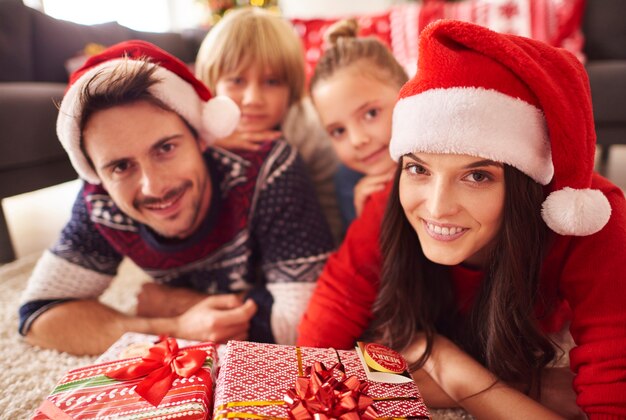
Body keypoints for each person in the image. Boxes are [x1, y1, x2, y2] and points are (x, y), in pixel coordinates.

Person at [298, 20, 626, 418]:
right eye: (419, 169)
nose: (437, 207)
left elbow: (612, 381)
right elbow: (318, 345)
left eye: (477, 176)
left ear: (526, 183)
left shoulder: (589, 215)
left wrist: (451, 370)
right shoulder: (387, 201)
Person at [18, 40, 335, 356]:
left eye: (166, 148)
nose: (153, 187)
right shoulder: (100, 200)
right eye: (121, 166)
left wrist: (171, 301)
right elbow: (38, 315)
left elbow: (304, 325)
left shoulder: (270, 168)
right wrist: (175, 327)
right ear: (97, 175)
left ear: (200, 137)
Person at [194, 7, 342, 242]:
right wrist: (208, 142)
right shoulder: (196, 125)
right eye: (237, 80)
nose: (253, 99)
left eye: (271, 82)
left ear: (291, 87)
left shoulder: (311, 133)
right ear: (213, 83)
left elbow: (330, 216)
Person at [308, 19, 409, 231]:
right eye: (338, 131)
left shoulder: (442, 149)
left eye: (370, 114)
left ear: (407, 92)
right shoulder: (349, 182)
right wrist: (367, 222)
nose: (357, 140)